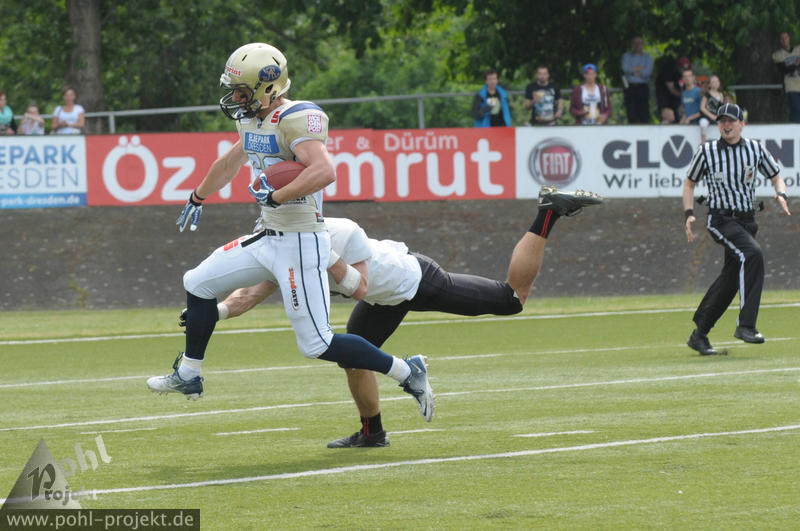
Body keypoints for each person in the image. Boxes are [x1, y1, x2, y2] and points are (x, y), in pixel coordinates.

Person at [146, 43, 434, 426]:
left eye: (242, 91)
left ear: (268, 87)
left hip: (300, 242)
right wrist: (198, 195)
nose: (236, 98)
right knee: (197, 282)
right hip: (268, 235)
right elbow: (229, 163)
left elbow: (325, 170)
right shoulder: (251, 120)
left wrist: (277, 195)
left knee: (318, 343)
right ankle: (189, 374)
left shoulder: (297, 117)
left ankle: (406, 370)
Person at [201, 187, 603, 447]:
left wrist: (325, 262)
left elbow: (358, 285)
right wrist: (212, 312)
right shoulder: (287, 243)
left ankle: (548, 213)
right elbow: (251, 293)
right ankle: (372, 432)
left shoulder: (333, 233)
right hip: (384, 298)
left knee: (511, 298)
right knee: (353, 355)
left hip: (415, 280)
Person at [682, 103, 791, 356]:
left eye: (731, 120)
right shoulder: (707, 151)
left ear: (742, 124)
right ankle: (746, 325)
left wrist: (781, 193)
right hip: (721, 219)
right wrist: (688, 214)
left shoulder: (755, 149)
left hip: (747, 221)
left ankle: (699, 335)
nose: (726, 125)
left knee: (731, 279)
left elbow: (776, 176)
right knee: (752, 254)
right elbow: (689, 183)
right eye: (722, 121)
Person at [621, 36, 654, 123]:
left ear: (643, 45)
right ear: (632, 45)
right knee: (631, 113)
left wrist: (632, 71)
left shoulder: (648, 57)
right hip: (629, 87)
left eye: (639, 43)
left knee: (644, 113)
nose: (637, 45)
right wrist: (641, 69)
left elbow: (647, 72)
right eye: (635, 43)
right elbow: (626, 69)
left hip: (643, 88)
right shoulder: (626, 56)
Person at [772, 32, 800, 123]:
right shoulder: (779, 55)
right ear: (780, 41)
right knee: (796, 108)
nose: (784, 40)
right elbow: (784, 70)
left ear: (789, 38)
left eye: (786, 38)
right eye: (782, 39)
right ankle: (794, 127)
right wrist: (796, 64)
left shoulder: (797, 50)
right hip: (791, 86)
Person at [698, 75, 724, 143]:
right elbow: (702, 108)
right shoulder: (707, 94)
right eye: (713, 82)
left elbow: (721, 108)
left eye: (717, 81)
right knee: (703, 124)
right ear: (709, 84)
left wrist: (718, 117)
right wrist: (711, 116)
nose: (716, 83)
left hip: (716, 117)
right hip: (706, 116)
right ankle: (703, 143)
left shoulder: (721, 95)